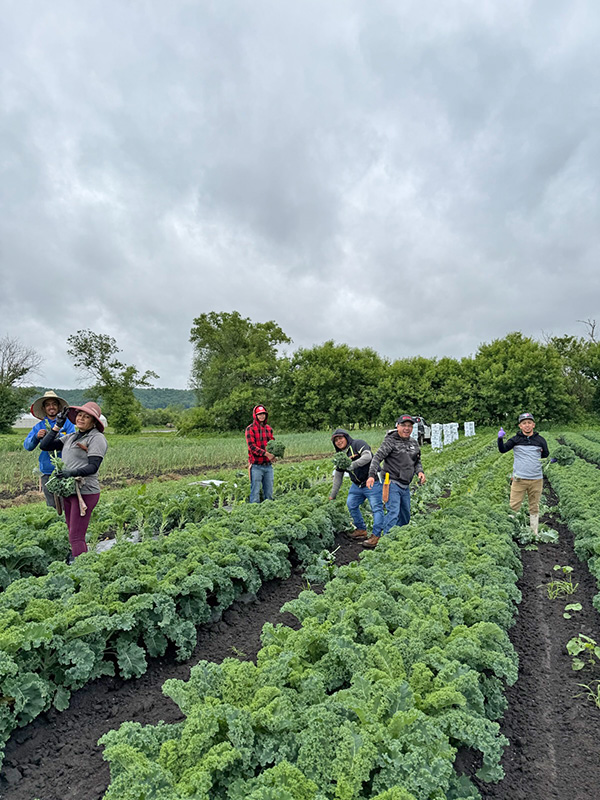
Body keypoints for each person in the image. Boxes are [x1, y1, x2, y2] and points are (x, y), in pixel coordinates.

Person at [39, 402, 108, 560]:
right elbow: (45, 445)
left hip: (85, 491)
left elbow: (93, 467)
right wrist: (58, 425)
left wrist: (71, 473)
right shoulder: (72, 437)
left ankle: (82, 570)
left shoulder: (97, 438)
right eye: (79, 415)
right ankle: (79, 563)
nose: (81, 418)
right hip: (69, 491)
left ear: (94, 421)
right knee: (72, 531)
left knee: (76, 536)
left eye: (86, 416)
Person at [365, 414, 426, 548]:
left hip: (405, 485)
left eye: (409, 426)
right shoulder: (390, 441)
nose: (406, 428)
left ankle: (398, 537)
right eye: (403, 425)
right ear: (397, 426)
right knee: (393, 512)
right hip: (392, 482)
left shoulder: (413, 443)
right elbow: (377, 458)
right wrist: (371, 475)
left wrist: (420, 472)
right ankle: (386, 541)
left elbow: (417, 461)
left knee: (405, 515)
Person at [498, 412, 549, 537]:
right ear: (520, 426)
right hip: (519, 479)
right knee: (514, 505)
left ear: (533, 425)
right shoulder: (515, 440)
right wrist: (500, 439)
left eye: (529, 423)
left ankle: (534, 532)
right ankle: (510, 531)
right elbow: (502, 449)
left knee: (534, 506)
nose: (527, 425)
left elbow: (545, 454)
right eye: (524, 423)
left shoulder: (540, 440)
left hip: (536, 479)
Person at [329, 428, 383, 541]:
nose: (339, 442)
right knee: (351, 504)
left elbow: (368, 456)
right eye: (336, 440)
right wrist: (332, 495)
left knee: (376, 508)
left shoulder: (358, 444)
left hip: (372, 481)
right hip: (357, 485)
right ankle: (361, 530)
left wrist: (352, 465)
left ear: (346, 437)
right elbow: (338, 477)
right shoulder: (340, 456)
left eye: (340, 438)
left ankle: (376, 535)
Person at [23, 390, 76, 507]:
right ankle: (53, 523)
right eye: (48, 404)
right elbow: (27, 446)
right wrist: (37, 437)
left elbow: (73, 441)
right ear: (44, 408)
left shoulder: (67, 424)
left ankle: (67, 523)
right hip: (47, 470)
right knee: (51, 503)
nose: (51, 407)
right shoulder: (39, 426)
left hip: (64, 468)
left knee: (66, 501)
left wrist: (57, 435)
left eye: (54, 404)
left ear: (58, 407)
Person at [245, 404, 275, 503]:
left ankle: (269, 513)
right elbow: (252, 447)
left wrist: (274, 455)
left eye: (263, 414)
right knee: (255, 493)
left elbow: (272, 445)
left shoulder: (269, 429)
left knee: (269, 493)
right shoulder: (250, 429)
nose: (262, 416)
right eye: (259, 414)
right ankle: (254, 513)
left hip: (268, 466)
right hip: (256, 466)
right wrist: (266, 454)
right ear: (255, 415)